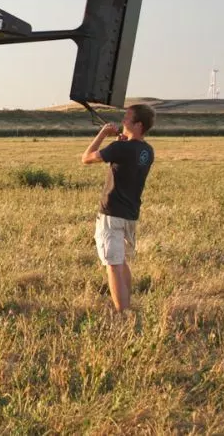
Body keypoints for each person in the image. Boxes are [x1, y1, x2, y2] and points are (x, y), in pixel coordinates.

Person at [80, 103, 156, 313]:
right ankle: (127, 306)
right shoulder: (147, 151)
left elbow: (86, 157)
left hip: (112, 214)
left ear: (138, 125)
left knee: (113, 265)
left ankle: (123, 313)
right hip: (130, 214)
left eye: (127, 119)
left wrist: (103, 134)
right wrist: (122, 142)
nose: (123, 121)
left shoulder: (120, 148)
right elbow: (129, 157)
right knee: (120, 262)